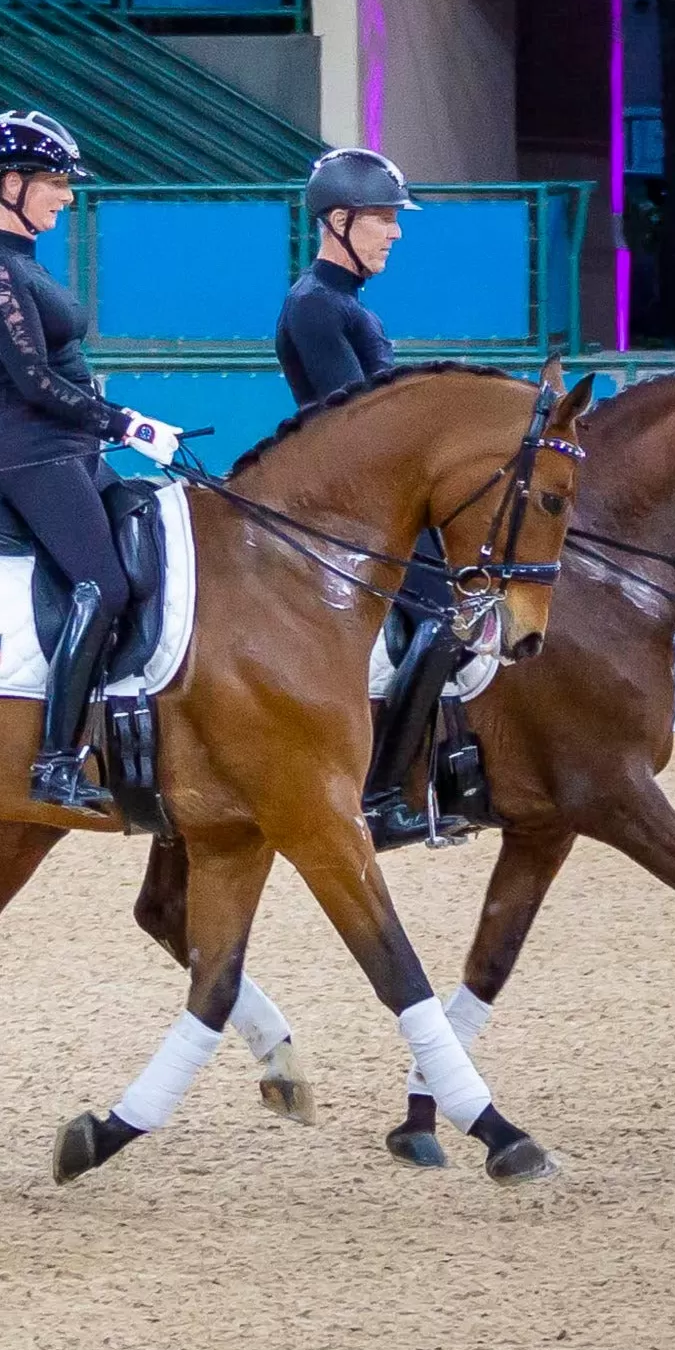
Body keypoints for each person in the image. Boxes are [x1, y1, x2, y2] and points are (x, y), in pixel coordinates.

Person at [0, 111, 180, 811]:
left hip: (75, 450)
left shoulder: (26, 265)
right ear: (12, 182)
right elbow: (32, 382)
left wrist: (113, 425)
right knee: (102, 585)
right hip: (34, 455)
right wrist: (126, 421)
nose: (66, 194)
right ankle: (54, 760)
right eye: (55, 181)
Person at [276, 146, 463, 848]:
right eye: (384, 218)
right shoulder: (315, 307)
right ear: (340, 221)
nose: (396, 232)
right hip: (357, 510)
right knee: (442, 615)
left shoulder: (346, 306)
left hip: (384, 498)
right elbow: (356, 425)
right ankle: (387, 794)